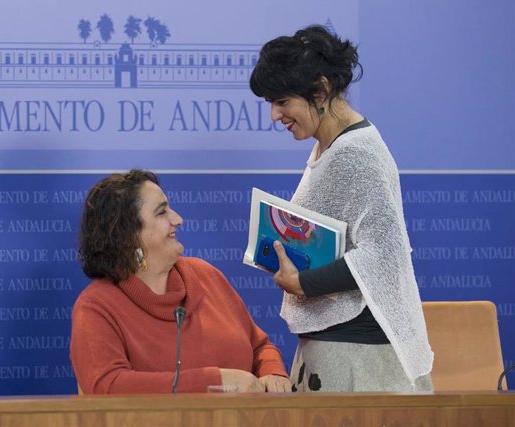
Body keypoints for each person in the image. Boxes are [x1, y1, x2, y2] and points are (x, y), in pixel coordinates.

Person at [249, 25, 433, 392]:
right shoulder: (329, 146)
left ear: (319, 90)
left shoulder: (356, 154)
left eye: (282, 101)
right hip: (337, 355)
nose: (274, 115)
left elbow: (381, 254)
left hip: (361, 366)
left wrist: (302, 282)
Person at [70, 169, 290, 394]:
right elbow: (107, 386)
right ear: (128, 235)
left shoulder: (206, 275)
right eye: (162, 212)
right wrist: (215, 382)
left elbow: (259, 346)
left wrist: (272, 372)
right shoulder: (96, 306)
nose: (178, 219)